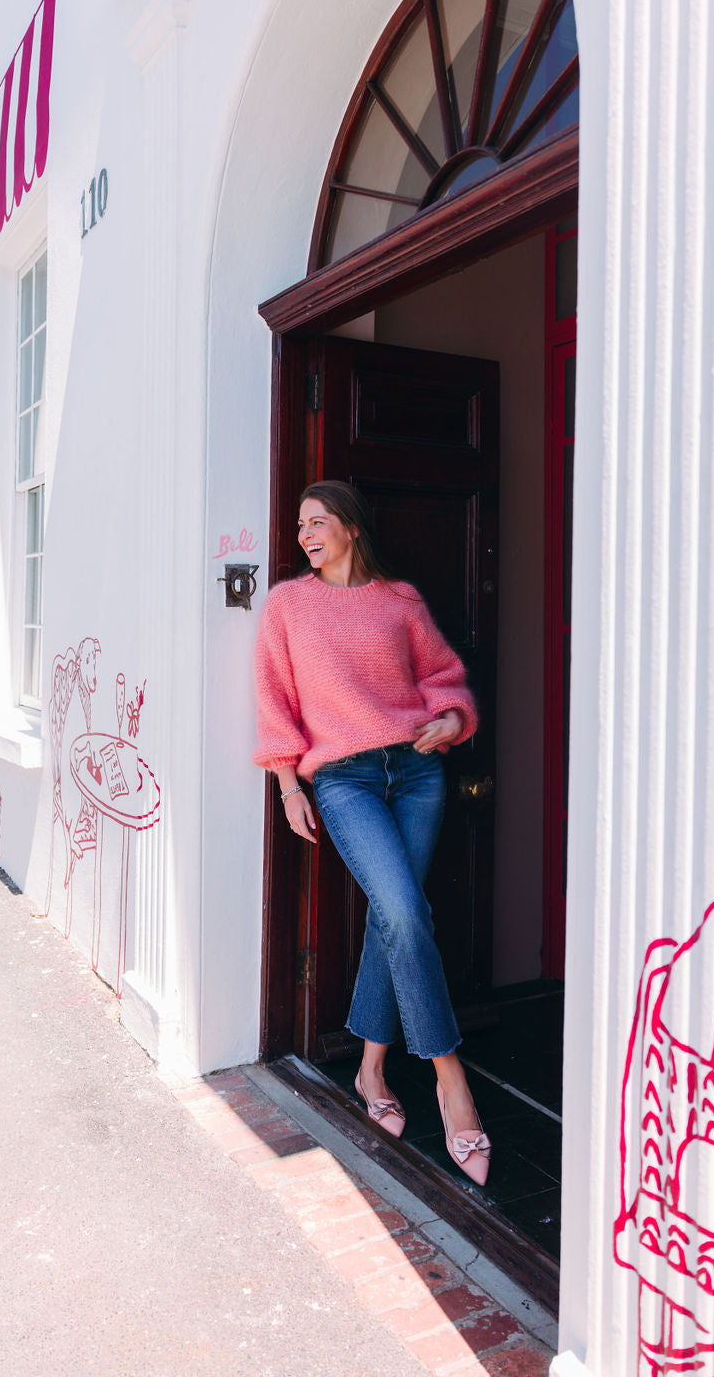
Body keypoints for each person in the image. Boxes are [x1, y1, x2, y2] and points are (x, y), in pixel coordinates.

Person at [253, 480, 492, 1186]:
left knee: (394, 920)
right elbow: (274, 697)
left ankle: (369, 1067)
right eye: (300, 526)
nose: (305, 535)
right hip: (345, 781)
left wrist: (451, 718)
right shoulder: (288, 604)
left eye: (318, 522)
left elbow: (444, 679)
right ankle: (452, 1080)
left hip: (416, 775)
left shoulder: (400, 602)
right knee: (404, 912)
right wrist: (288, 783)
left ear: (352, 527)